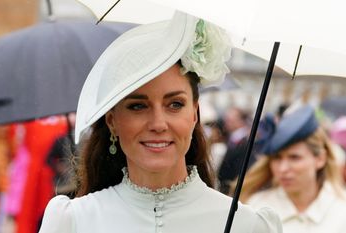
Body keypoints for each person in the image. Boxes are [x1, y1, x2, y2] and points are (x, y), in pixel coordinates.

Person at [39, 12, 282, 233]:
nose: (158, 123)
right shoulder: (72, 221)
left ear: (194, 114)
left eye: (174, 104)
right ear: (112, 121)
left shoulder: (247, 225)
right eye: (138, 106)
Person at [240, 105, 346, 233]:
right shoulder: (257, 207)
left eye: (294, 157)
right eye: (277, 158)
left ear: (320, 159)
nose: (283, 168)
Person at [218, 107, 251, 194]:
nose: (226, 123)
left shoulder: (246, 140)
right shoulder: (232, 138)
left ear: (241, 121)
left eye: (230, 120)